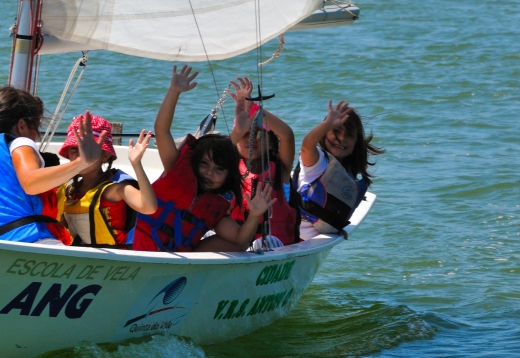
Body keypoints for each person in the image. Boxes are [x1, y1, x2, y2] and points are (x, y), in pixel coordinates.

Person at [132, 66, 275, 253]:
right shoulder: (175, 167)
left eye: (218, 170)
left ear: (228, 176)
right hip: (139, 250)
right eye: (204, 165)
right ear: (196, 162)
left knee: (239, 245)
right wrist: (174, 91)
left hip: (178, 261)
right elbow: (161, 130)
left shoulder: (218, 206)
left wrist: (254, 215)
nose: (209, 172)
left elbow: (241, 238)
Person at [0, 86, 105, 244]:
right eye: (36, 128)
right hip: (25, 241)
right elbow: (31, 183)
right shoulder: (20, 142)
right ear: (22, 126)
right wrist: (82, 162)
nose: (35, 137)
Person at [59, 114, 157, 247]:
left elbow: (149, 207)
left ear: (104, 156)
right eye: (74, 149)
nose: (80, 154)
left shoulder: (114, 189)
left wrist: (136, 164)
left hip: (112, 260)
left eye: (87, 148)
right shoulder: (69, 191)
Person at [292, 100, 384, 240]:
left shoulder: (346, 171)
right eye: (336, 131)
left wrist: (335, 226)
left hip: (315, 240)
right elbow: (307, 146)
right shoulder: (318, 160)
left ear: (356, 142)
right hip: (295, 238)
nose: (342, 138)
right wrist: (327, 124)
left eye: (349, 135)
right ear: (325, 134)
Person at [228, 77, 300, 247]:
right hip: (238, 245)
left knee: (263, 244)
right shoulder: (227, 167)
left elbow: (287, 135)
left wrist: (254, 109)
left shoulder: (280, 170)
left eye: (259, 135)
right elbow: (222, 148)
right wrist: (241, 124)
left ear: (271, 143)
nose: (251, 138)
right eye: (244, 135)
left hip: (273, 246)